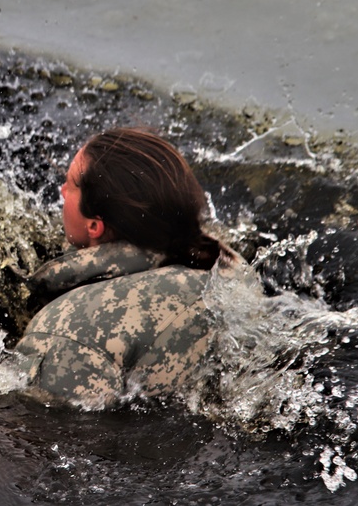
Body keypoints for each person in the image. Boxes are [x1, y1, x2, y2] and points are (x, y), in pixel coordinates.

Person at [14, 127, 243, 408]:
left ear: (95, 225)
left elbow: (44, 439)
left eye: (71, 184)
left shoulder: (66, 330)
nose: (61, 190)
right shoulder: (229, 265)